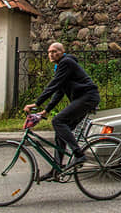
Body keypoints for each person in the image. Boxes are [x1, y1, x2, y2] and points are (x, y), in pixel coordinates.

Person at [24, 42, 100, 181]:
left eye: (55, 51)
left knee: (58, 121)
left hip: (87, 97)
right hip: (84, 99)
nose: (51, 54)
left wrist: (37, 103)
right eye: (49, 52)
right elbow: (59, 91)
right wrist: (46, 110)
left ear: (62, 52)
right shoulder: (61, 66)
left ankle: (79, 155)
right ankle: (56, 169)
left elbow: (53, 85)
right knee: (61, 131)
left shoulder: (66, 62)